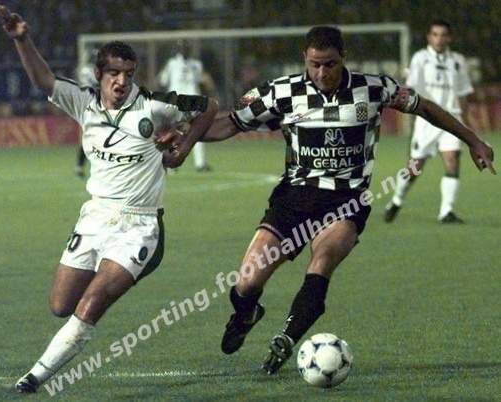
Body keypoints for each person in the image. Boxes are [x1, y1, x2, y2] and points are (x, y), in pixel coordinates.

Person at [191, 26, 494, 375]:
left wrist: (472, 139)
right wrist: (184, 140)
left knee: (322, 262)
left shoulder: (374, 88)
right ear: (305, 58)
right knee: (246, 284)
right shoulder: (280, 92)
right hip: (294, 199)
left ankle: (286, 339)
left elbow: (423, 106)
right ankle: (246, 315)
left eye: (330, 64)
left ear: (343, 57)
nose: (322, 73)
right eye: (314, 64)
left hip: (346, 202)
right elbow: (230, 123)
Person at [0, 4, 217, 394]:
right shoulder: (83, 102)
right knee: (60, 305)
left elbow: (209, 107)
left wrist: (183, 147)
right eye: (114, 73)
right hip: (95, 218)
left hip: (140, 225)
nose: (122, 81)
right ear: (98, 74)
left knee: (92, 301)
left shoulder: (154, 105)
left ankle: (34, 378)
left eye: (129, 74)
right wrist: (22, 39)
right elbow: (44, 80)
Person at [384, 20, 475, 223]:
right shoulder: (420, 58)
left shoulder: (458, 61)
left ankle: (446, 211)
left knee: (452, 160)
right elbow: (411, 87)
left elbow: (462, 94)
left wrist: (465, 122)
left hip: (451, 119)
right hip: (428, 120)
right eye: (435, 34)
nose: (439, 39)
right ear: (429, 37)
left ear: (449, 38)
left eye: (443, 35)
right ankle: (397, 200)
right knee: (414, 168)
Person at [157, 40, 214, 172]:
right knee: (172, 133)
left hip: (194, 103)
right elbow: (162, 81)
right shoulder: (171, 64)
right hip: (176, 102)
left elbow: (203, 81)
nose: (184, 50)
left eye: (186, 48)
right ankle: (171, 164)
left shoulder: (196, 65)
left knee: (197, 132)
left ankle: (200, 164)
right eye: (182, 48)